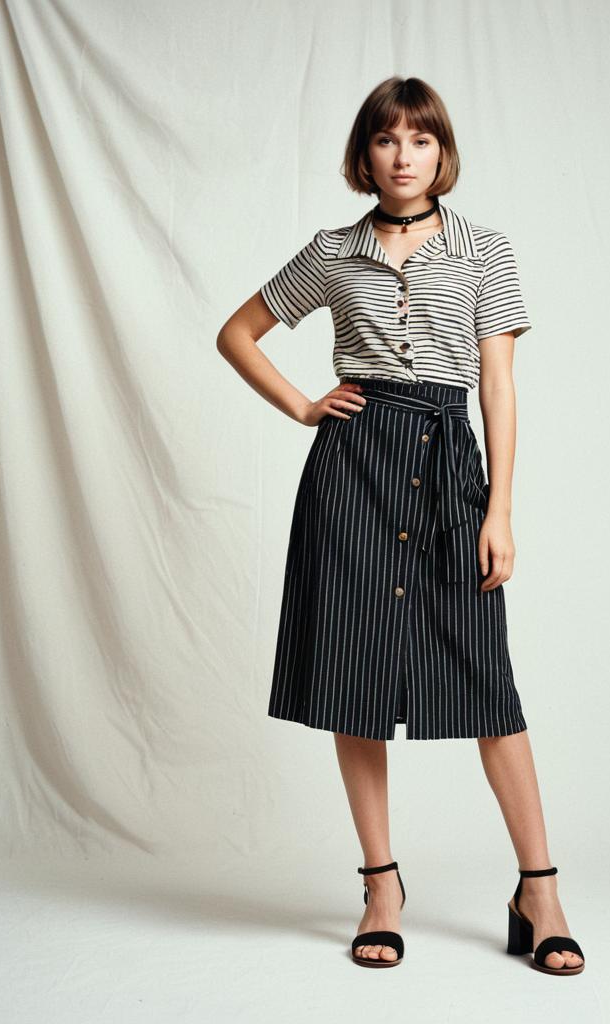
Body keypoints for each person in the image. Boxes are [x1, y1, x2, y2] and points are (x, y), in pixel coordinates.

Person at [217, 76, 584, 976]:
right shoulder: (334, 252)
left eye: (420, 140)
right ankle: (381, 885)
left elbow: (496, 383)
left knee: (486, 679)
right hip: (354, 470)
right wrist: (305, 407)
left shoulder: (484, 251)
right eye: (387, 140)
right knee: (353, 669)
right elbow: (237, 332)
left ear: (442, 153)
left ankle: (540, 889)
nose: (404, 156)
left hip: (449, 463)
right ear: (366, 154)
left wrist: (499, 506)